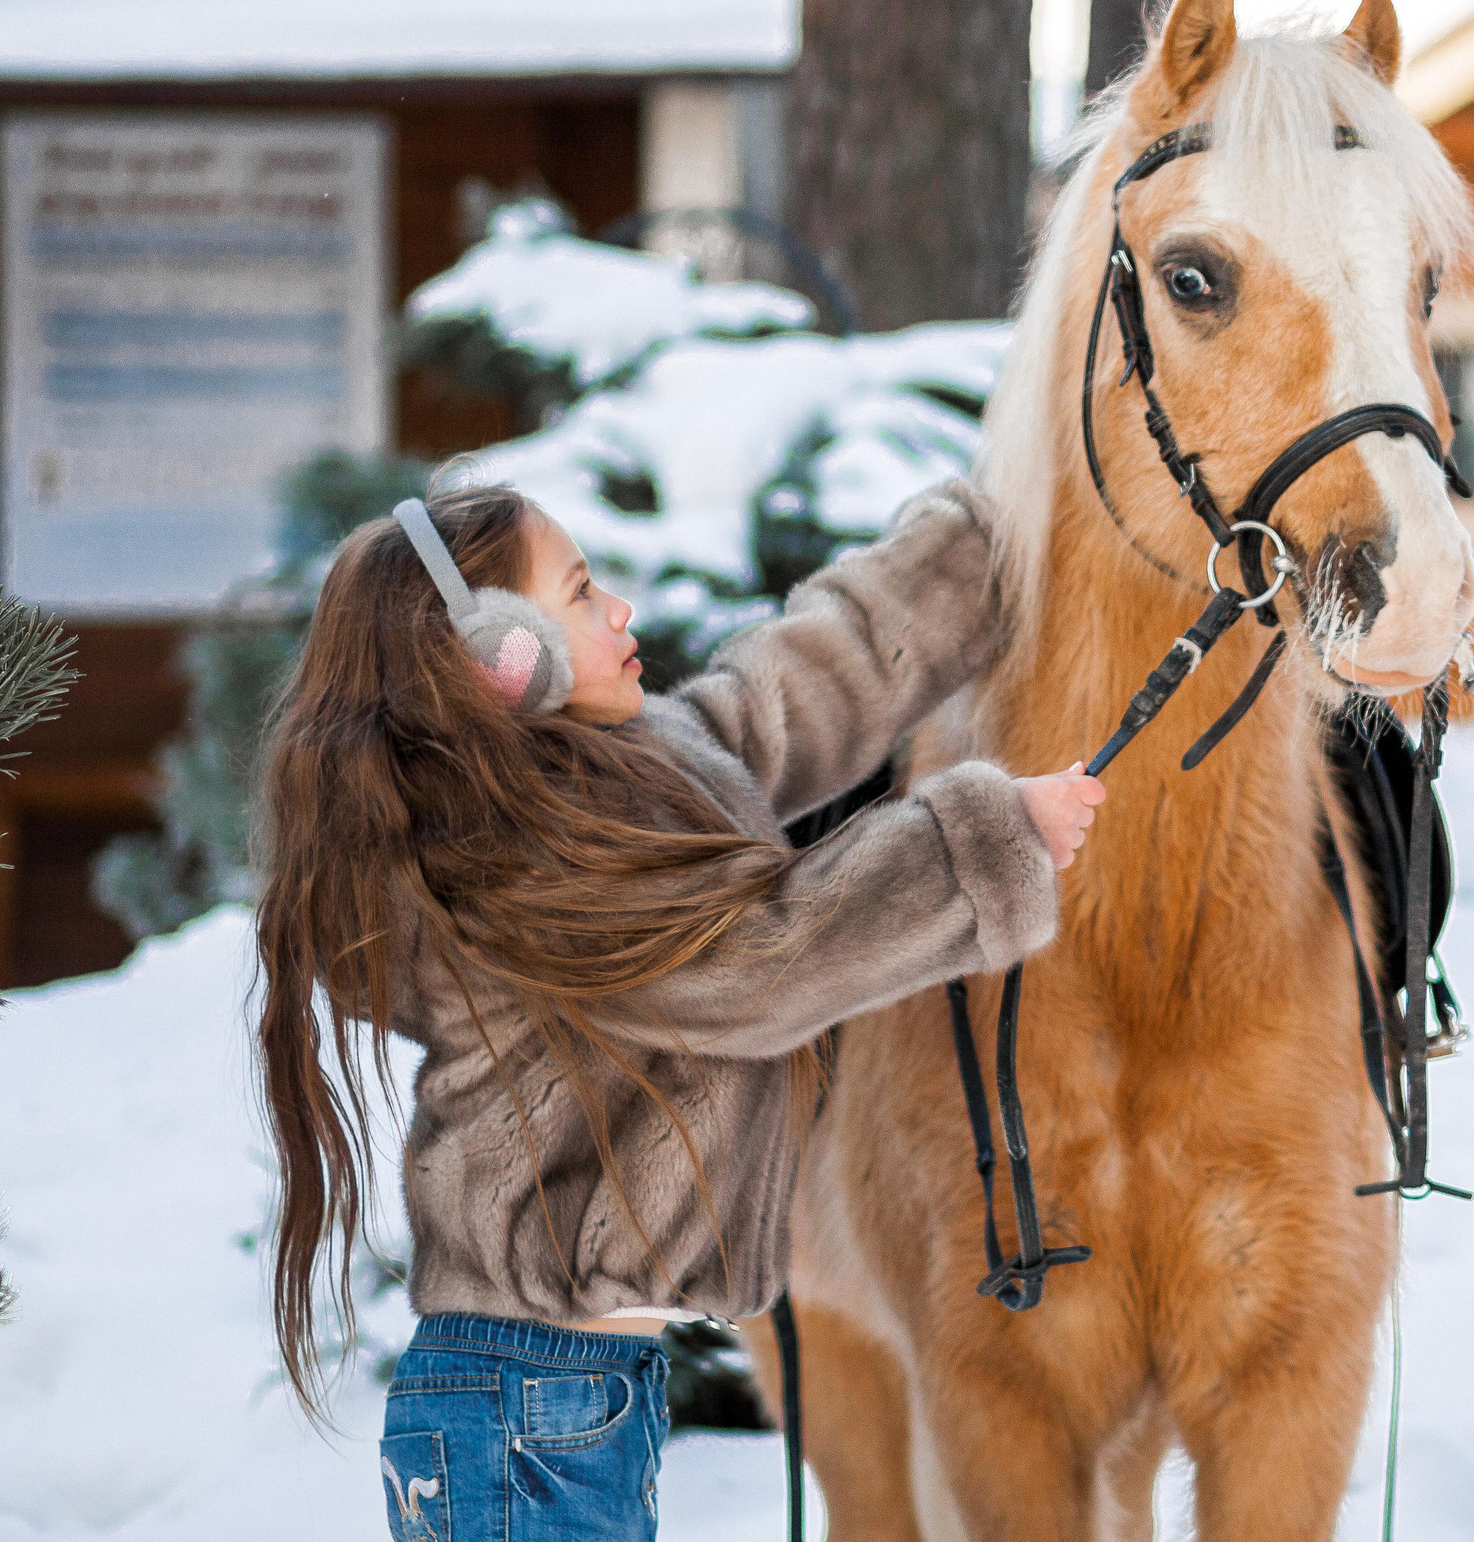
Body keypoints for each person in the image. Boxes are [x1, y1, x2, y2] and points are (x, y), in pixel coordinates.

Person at [249, 477, 1102, 1541]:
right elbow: (757, 963)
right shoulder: (519, 870)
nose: (621, 613)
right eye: (581, 592)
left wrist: (977, 548)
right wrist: (984, 841)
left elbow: (785, 699)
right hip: (527, 1400)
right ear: (501, 655)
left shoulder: (602, 791)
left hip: (558, 1392)